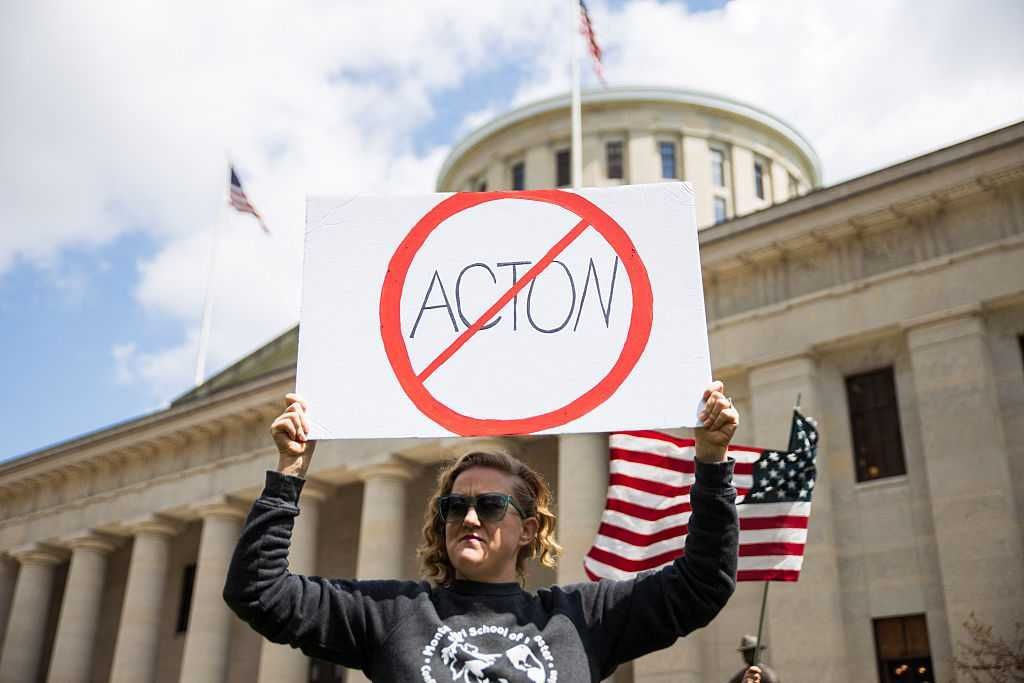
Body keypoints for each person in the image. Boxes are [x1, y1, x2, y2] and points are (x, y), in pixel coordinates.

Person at [223, 382, 740, 682]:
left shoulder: (580, 618)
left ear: (528, 529)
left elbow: (702, 585)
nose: (470, 519)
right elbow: (259, 592)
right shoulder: (394, 615)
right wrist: (289, 472)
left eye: (491, 507)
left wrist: (712, 461)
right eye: (456, 506)